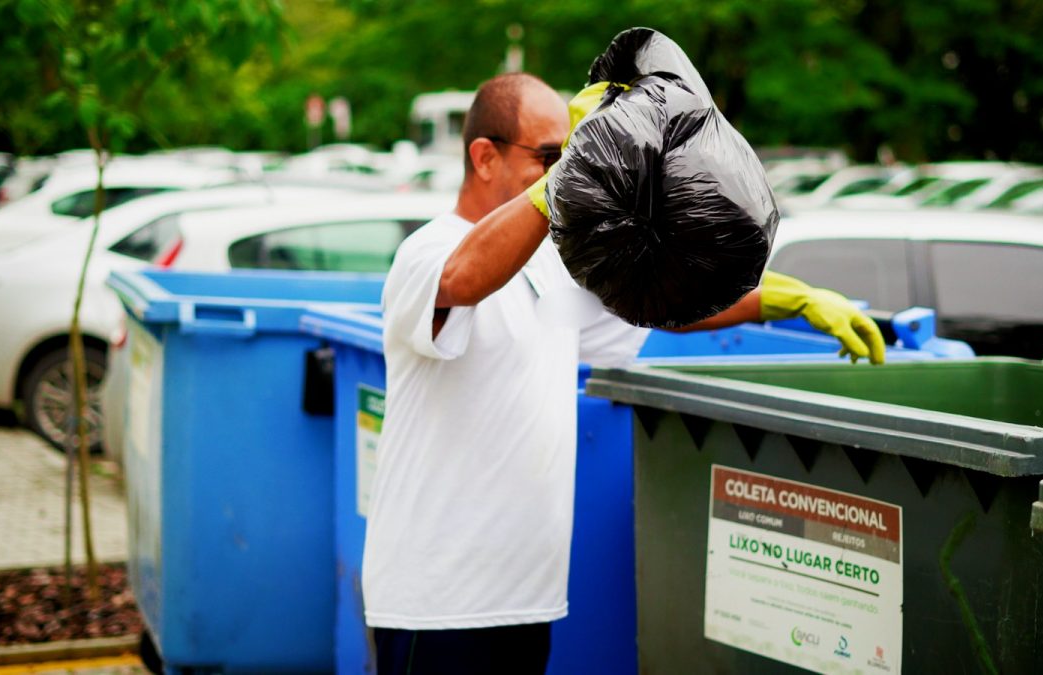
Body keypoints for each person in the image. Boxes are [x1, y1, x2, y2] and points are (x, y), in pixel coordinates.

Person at [362, 72, 884, 675]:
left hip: (524, 599)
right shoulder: (427, 252)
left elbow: (658, 305)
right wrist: (575, 170)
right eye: (550, 155)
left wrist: (791, 297)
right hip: (437, 604)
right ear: (484, 157)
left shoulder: (551, 269)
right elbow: (462, 280)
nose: (566, 169)